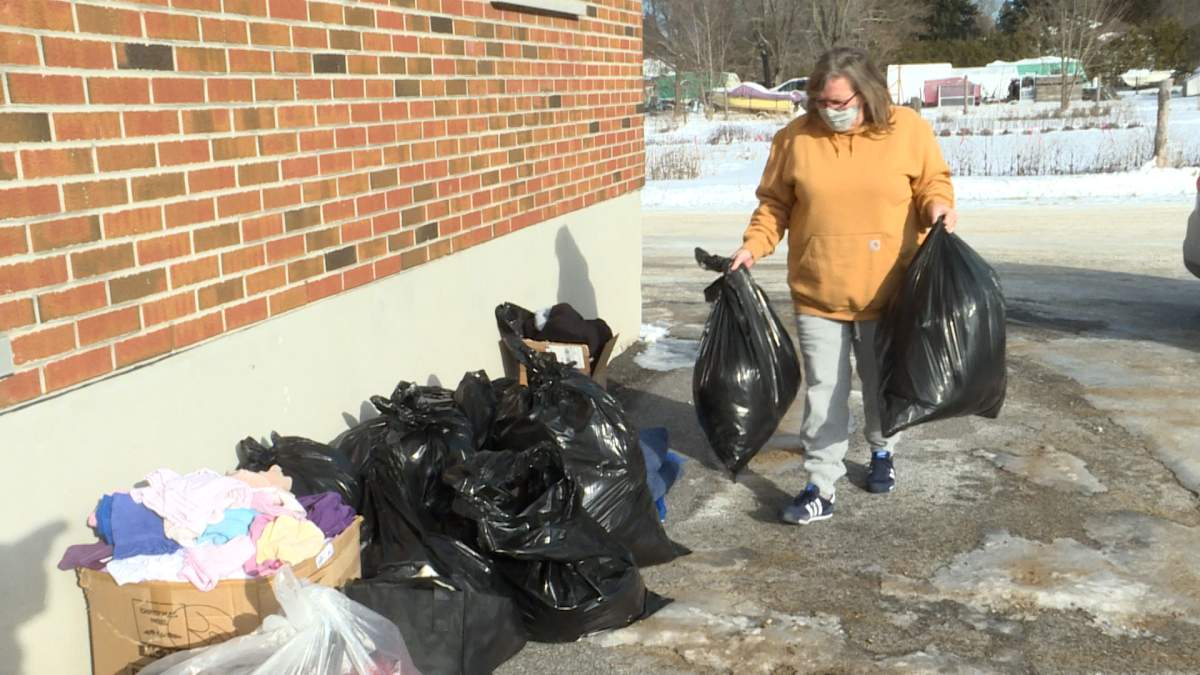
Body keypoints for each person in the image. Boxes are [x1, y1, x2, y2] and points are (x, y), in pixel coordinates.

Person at [729, 47, 957, 525]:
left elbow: (933, 182)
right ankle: (820, 485)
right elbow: (774, 205)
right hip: (819, 291)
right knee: (824, 392)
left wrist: (938, 208)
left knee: (880, 386)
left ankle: (882, 450)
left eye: (838, 102)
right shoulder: (794, 139)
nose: (829, 112)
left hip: (889, 292)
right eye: (820, 103)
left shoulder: (906, 129)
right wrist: (753, 245)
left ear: (866, 93)